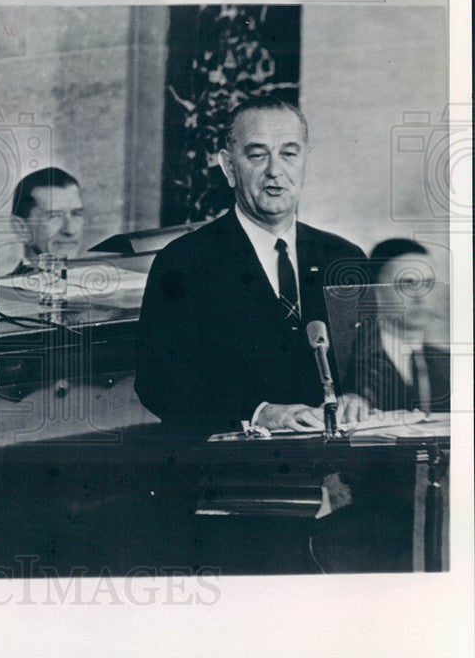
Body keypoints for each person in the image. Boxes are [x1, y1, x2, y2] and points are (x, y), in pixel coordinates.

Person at [134, 96, 368, 438]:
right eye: (257, 155)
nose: (275, 170)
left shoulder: (343, 257)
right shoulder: (184, 262)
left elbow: (375, 360)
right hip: (234, 470)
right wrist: (257, 413)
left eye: (289, 153)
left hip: (336, 465)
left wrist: (361, 396)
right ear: (229, 167)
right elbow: (158, 381)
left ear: (305, 161)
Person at [347, 239, 450, 413]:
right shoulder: (350, 364)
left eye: (428, 284)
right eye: (408, 284)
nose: (421, 297)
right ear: (375, 290)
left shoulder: (448, 363)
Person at [9, 167, 86, 275]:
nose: (70, 230)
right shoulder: (4, 291)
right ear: (21, 228)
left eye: (76, 214)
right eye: (54, 216)